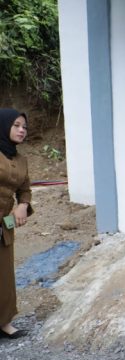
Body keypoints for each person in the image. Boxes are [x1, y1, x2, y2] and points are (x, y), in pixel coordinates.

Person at [0, 109, 33, 340]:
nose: (22, 130)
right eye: (16, 125)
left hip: (5, 224)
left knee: (4, 275)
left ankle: (4, 322)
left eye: (24, 127)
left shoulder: (21, 160)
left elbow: (25, 189)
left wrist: (23, 205)